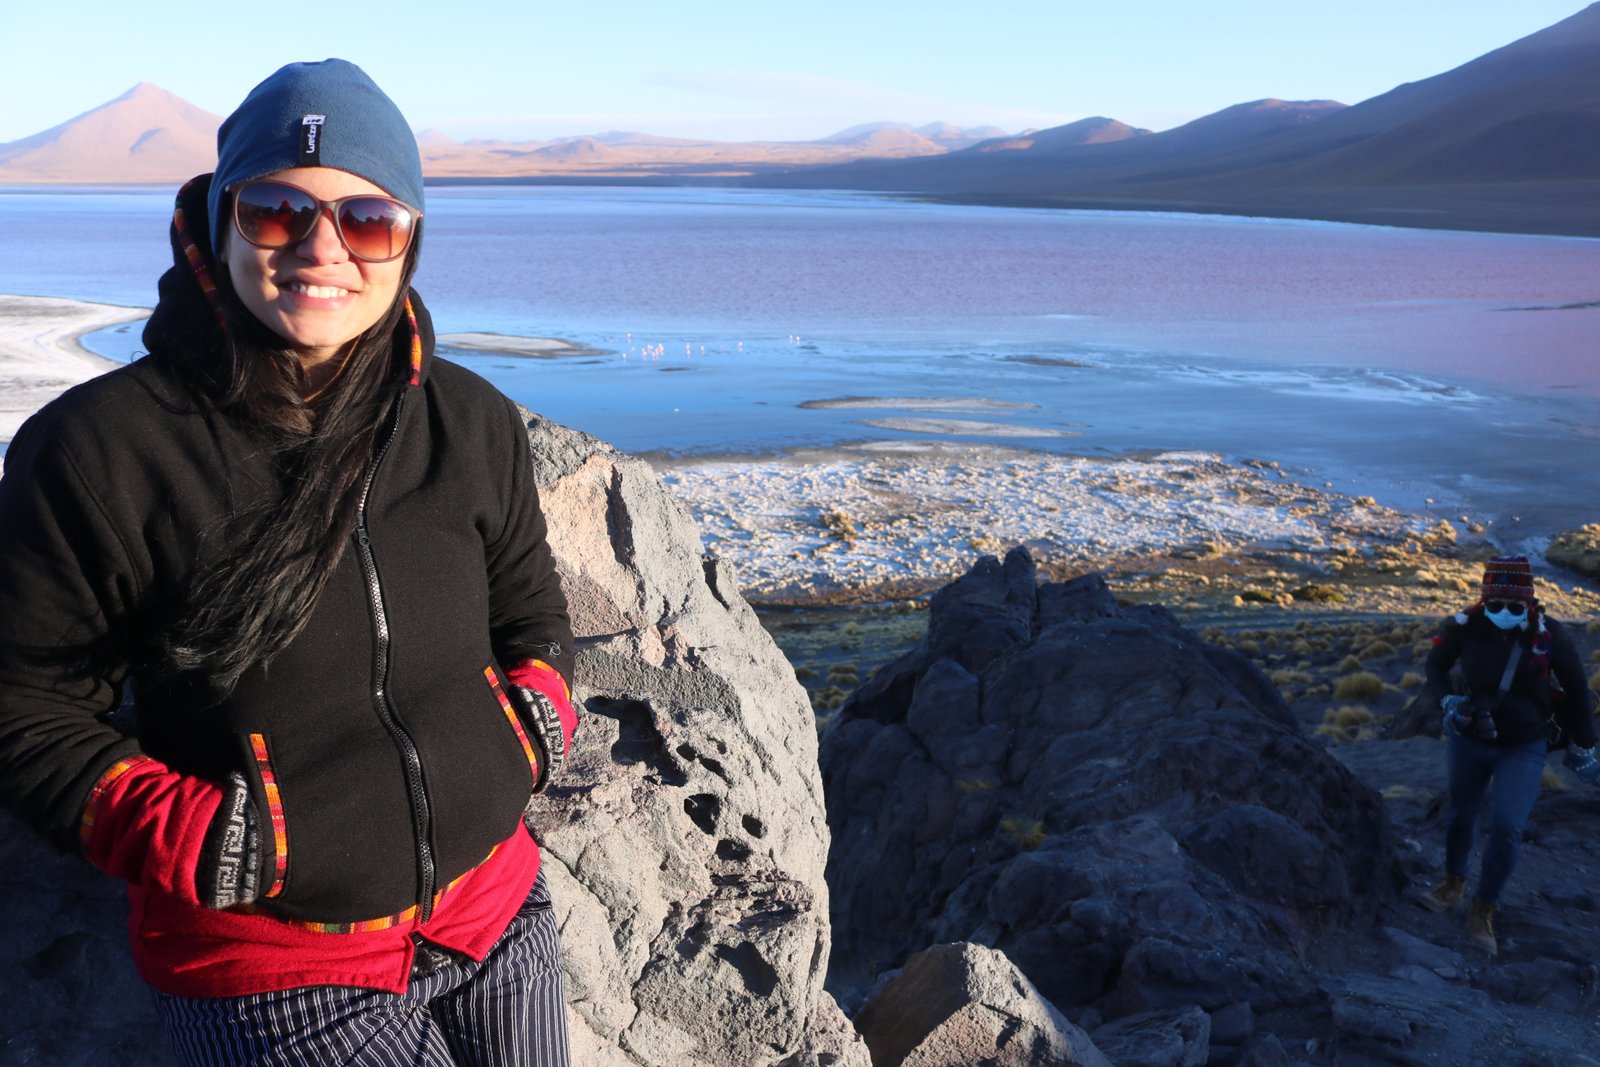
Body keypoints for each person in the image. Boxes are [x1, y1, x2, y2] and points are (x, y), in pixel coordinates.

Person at [0, 60, 577, 1065]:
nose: (321, 248)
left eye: (367, 219)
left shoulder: (469, 419)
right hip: (273, 967)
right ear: (217, 221)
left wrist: (531, 726)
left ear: (410, 240)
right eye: (276, 210)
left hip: (497, 909)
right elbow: (21, 700)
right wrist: (181, 834)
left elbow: (529, 606)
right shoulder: (102, 450)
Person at [1418, 555, 1599, 955]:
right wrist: (1446, 698)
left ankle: (1483, 910)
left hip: (1524, 745)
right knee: (1461, 813)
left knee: (1506, 825)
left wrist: (1584, 745)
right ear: (1484, 600)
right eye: (1494, 604)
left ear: (1529, 602)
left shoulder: (1549, 635)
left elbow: (1577, 690)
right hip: (1470, 739)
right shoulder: (1462, 626)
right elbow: (1435, 662)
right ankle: (1452, 885)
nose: (1502, 612)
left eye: (1513, 606)